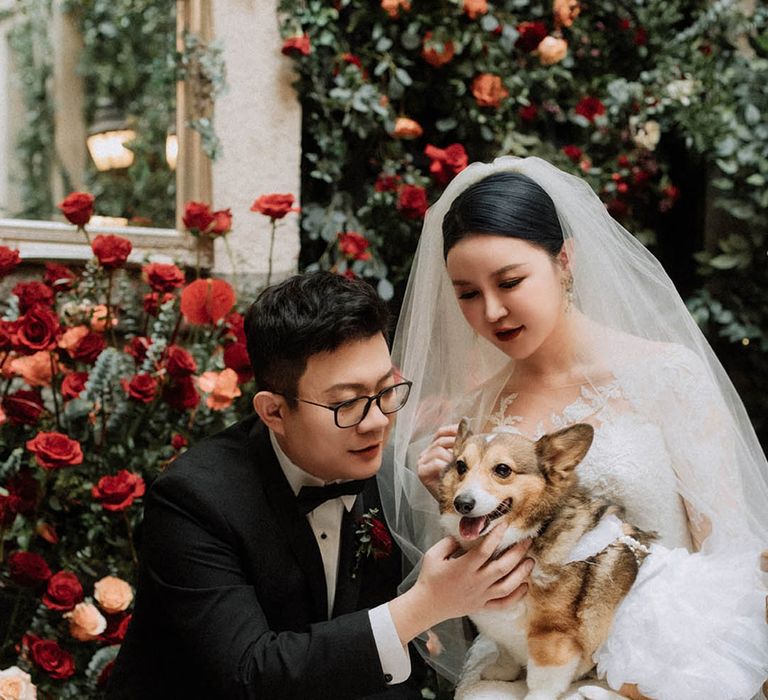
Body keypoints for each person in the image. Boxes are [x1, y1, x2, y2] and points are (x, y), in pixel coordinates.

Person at [380, 157, 768, 699]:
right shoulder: (480, 411)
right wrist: (451, 502)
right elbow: (495, 587)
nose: (491, 311)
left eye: (510, 281)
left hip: (666, 645)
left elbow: (727, 550)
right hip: (529, 650)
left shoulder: (665, 375)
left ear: (564, 261)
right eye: (467, 293)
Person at [106, 271, 534, 700]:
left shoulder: (380, 469)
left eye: (386, 390)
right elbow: (248, 674)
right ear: (274, 412)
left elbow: (387, 669)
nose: (378, 422)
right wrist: (423, 605)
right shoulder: (193, 500)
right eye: (347, 403)